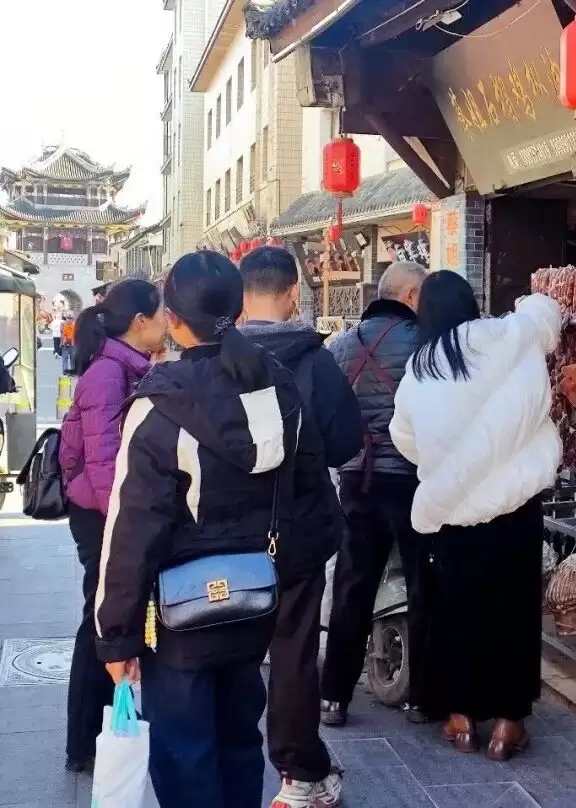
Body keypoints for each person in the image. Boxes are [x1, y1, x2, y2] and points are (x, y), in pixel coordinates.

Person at [94, 251, 336, 807]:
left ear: (173, 320)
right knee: (238, 739)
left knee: (185, 753)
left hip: (181, 613)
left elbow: (132, 530)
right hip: (256, 600)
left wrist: (116, 634)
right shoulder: (278, 388)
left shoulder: (161, 403)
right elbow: (312, 496)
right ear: (238, 308)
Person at [388, 271, 562, 761]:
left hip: (455, 512)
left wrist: (448, 465)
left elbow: (404, 436)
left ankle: (462, 720)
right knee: (514, 611)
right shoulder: (511, 336)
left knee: (457, 611)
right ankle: (508, 724)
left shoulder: (422, 367)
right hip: (517, 507)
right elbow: (544, 313)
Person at [237, 245, 364, 808]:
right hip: (297, 532)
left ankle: (227, 758)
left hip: (226, 535)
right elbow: (345, 442)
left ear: (242, 296)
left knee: (228, 645)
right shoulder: (316, 361)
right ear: (293, 293)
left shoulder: (215, 358)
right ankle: (298, 774)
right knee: (292, 650)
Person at [57, 279, 168, 772]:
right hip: (102, 512)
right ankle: (84, 742)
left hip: (111, 509)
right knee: (99, 621)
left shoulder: (129, 366)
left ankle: (102, 727)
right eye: (161, 315)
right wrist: (123, 530)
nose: (168, 323)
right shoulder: (108, 373)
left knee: (108, 619)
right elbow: (104, 465)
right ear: (140, 322)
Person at [320, 260, 428, 727]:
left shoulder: (341, 345)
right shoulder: (425, 343)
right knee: (424, 586)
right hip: (411, 479)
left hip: (357, 480)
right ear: (410, 297)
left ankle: (334, 697)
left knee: (352, 586)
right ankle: (422, 698)